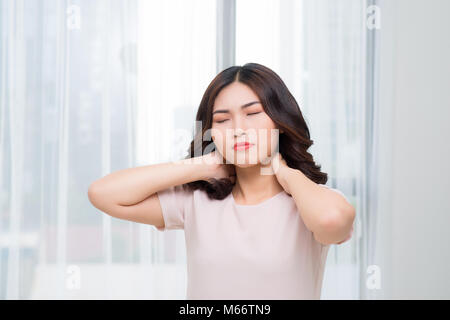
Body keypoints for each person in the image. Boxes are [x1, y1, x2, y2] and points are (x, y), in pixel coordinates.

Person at [88, 63, 355, 300]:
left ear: (280, 122)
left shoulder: (313, 200)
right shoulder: (195, 202)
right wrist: (204, 164)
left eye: (252, 113)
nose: (239, 128)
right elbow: (102, 194)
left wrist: (286, 173)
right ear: (211, 133)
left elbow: (332, 222)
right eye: (223, 120)